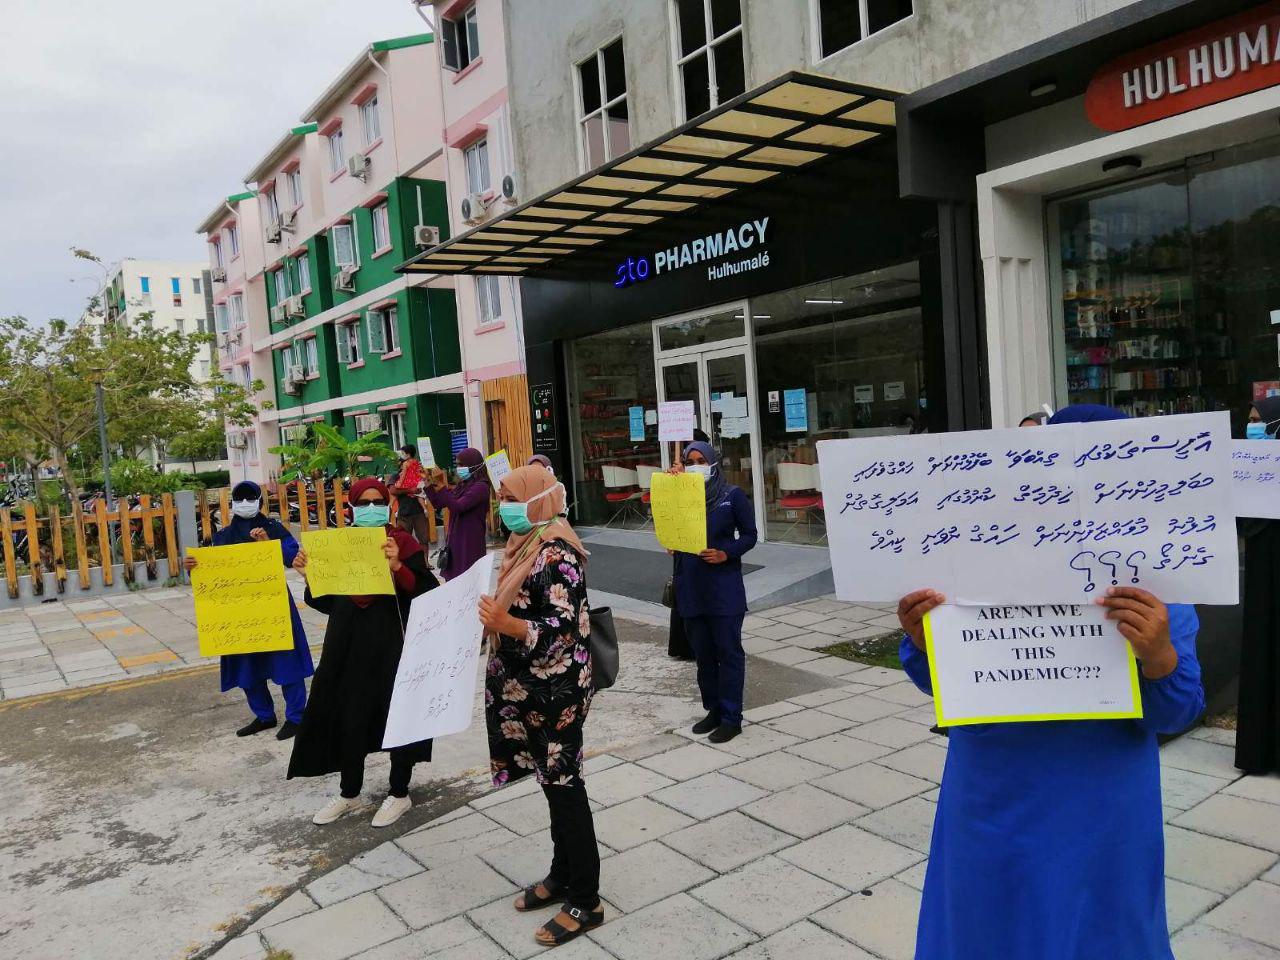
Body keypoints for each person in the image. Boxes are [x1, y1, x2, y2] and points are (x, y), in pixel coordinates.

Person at [897, 403, 1205, 960]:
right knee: (984, 924)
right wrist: (924, 643)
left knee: (1100, 931)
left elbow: (1179, 714)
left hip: (1102, 803)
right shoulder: (977, 560)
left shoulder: (1161, 583)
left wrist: (1158, 655)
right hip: (992, 791)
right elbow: (935, 681)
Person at [478, 466, 604, 947]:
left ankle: (586, 899)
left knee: (565, 785)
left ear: (539, 499)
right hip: (528, 690)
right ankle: (561, 872)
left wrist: (507, 624)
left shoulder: (557, 552)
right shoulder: (526, 544)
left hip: (557, 694)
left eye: (511, 496)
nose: (503, 504)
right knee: (550, 783)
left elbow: (562, 628)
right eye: (501, 496)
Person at [287, 477, 439, 828]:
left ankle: (399, 792)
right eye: (364, 503)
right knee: (348, 714)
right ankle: (349, 792)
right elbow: (328, 602)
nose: (371, 508)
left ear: (389, 504)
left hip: (392, 646)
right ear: (351, 507)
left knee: (396, 714)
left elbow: (428, 593)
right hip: (347, 644)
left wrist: (399, 567)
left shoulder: (401, 542)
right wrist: (310, 576)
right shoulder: (339, 545)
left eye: (377, 501)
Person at [184, 481, 313, 740]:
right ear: (232, 503)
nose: (245, 503)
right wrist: (194, 567)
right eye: (239, 498)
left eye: (250, 497)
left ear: (260, 501)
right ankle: (264, 715)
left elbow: (292, 557)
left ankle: (297, 717)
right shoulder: (223, 536)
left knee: (286, 660)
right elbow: (213, 572)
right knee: (246, 665)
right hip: (239, 612)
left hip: (274, 606)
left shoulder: (274, 529)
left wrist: (267, 545)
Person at [669, 440, 758, 743]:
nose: (695, 465)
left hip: (723, 588)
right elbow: (669, 526)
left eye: (699, 460)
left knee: (728, 653)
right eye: (689, 461)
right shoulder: (682, 497)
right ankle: (714, 710)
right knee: (703, 655)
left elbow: (750, 536)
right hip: (692, 587)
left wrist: (726, 552)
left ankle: (732, 717)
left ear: (713, 462)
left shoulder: (731, 497)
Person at [1236, 396, 1280, 775]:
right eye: (1250, 421)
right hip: (1263, 589)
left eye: (1259, 421)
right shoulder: (1248, 465)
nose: (1252, 427)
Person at [425, 447, 492, 581]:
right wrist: (430, 484)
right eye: (457, 464)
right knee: (454, 578)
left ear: (473, 464)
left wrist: (442, 486)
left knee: (467, 579)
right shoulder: (463, 485)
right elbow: (440, 504)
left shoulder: (481, 487)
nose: (458, 468)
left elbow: (457, 507)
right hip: (456, 539)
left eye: (461, 464)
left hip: (469, 541)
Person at [389, 444, 430, 545]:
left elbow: (426, 485)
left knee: (424, 540)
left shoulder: (418, 472)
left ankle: (425, 561)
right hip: (404, 513)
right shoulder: (396, 475)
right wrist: (410, 490)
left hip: (419, 512)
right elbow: (393, 491)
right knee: (402, 541)